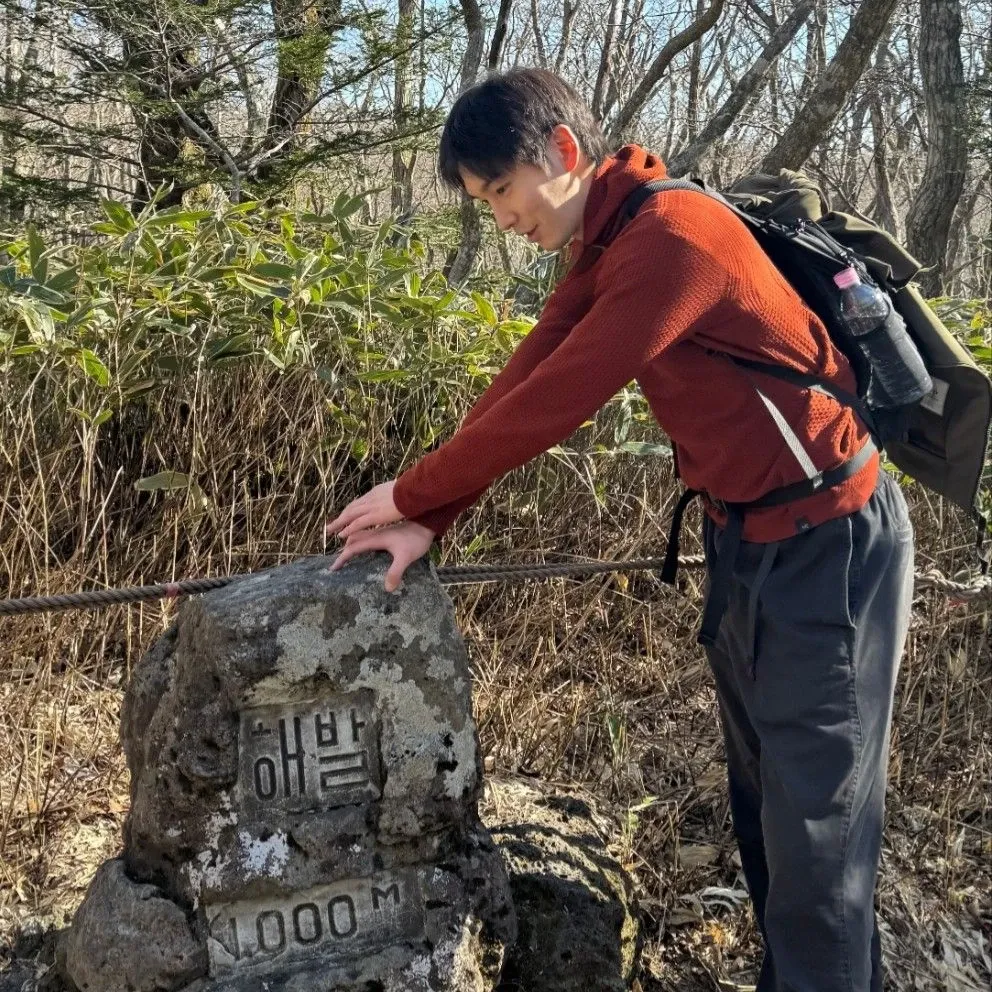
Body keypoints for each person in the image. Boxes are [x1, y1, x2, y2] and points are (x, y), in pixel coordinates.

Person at [325, 67, 913, 992]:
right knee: (769, 811)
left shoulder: (673, 238)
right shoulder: (608, 237)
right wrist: (428, 510)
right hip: (748, 542)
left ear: (562, 152)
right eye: (482, 203)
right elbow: (534, 364)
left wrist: (416, 491)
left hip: (828, 546)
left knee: (820, 840)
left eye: (502, 192)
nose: (502, 218)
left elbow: (564, 397)